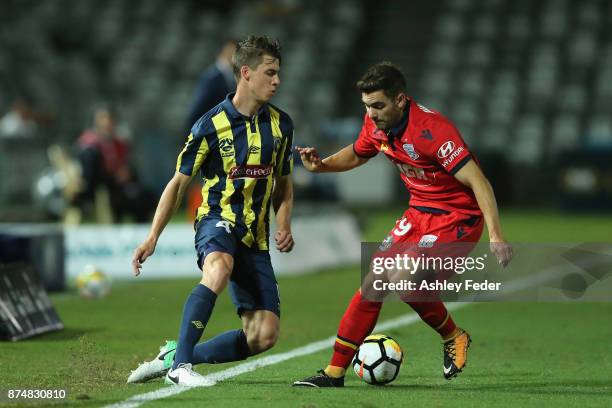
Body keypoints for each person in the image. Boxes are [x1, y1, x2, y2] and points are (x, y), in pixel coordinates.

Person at [292, 62, 513, 387]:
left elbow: (479, 181)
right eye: (367, 106)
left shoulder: (432, 131)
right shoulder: (375, 124)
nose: (372, 114)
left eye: (378, 105)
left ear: (400, 100)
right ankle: (334, 372)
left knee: (406, 279)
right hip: (418, 214)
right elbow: (356, 153)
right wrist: (322, 167)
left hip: (457, 218)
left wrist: (496, 234)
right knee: (374, 282)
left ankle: (454, 336)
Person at [129, 35, 295, 387]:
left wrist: (283, 223)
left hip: (255, 235)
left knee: (263, 335)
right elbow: (177, 184)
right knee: (219, 267)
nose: (277, 80)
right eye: (271, 72)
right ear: (246, 73)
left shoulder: (282, 126)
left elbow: (284, 185)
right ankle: (181, 369)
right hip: (216, 221)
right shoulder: (209, 125)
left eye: (279, 72)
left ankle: (176, 356)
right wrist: (152, 236)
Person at [71, 105, 154, 223]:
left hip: (117, 185)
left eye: (110, 120)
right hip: (96, 187)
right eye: (103, 120)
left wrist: (125, 173)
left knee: (144, 196)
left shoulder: (119, 144)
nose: (107, 124)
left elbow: (126, 168)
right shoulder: (88, 144)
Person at [185, 38, 238, 133]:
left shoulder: (230, 78)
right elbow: (198, 108)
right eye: (231, 52)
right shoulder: (213, 77)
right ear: (223, 52)